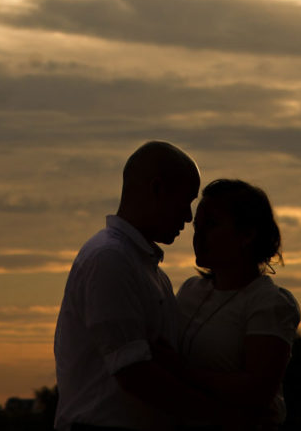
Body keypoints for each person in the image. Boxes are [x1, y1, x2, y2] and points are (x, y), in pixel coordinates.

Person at [54, 141, 215, 431]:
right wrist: (220, 416)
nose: (189, 217)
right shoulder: (111, 260)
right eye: (186, 200)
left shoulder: (138, 267)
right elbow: (133, 372)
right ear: (157, 189)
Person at [176, 179, 300, 431]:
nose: (198, 236)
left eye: (211, 225)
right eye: (196, 227)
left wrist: (182, 372)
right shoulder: (190, 291)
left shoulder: (270, 304)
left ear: (247, 234)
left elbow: (257, 391)